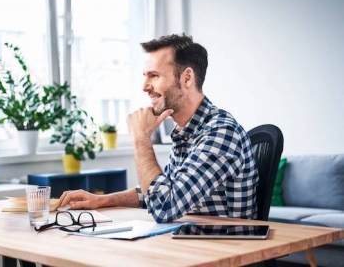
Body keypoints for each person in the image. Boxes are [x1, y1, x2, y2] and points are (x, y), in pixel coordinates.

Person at [56, 33, 258, 223]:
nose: (144, 86)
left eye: (154, 76)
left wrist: (140, 137)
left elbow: (164, 206)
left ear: (187, 78)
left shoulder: (220, 133)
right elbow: (158, 194)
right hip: (190, 245)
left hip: (223, 253)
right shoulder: (187, 132)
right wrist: (101, 201)